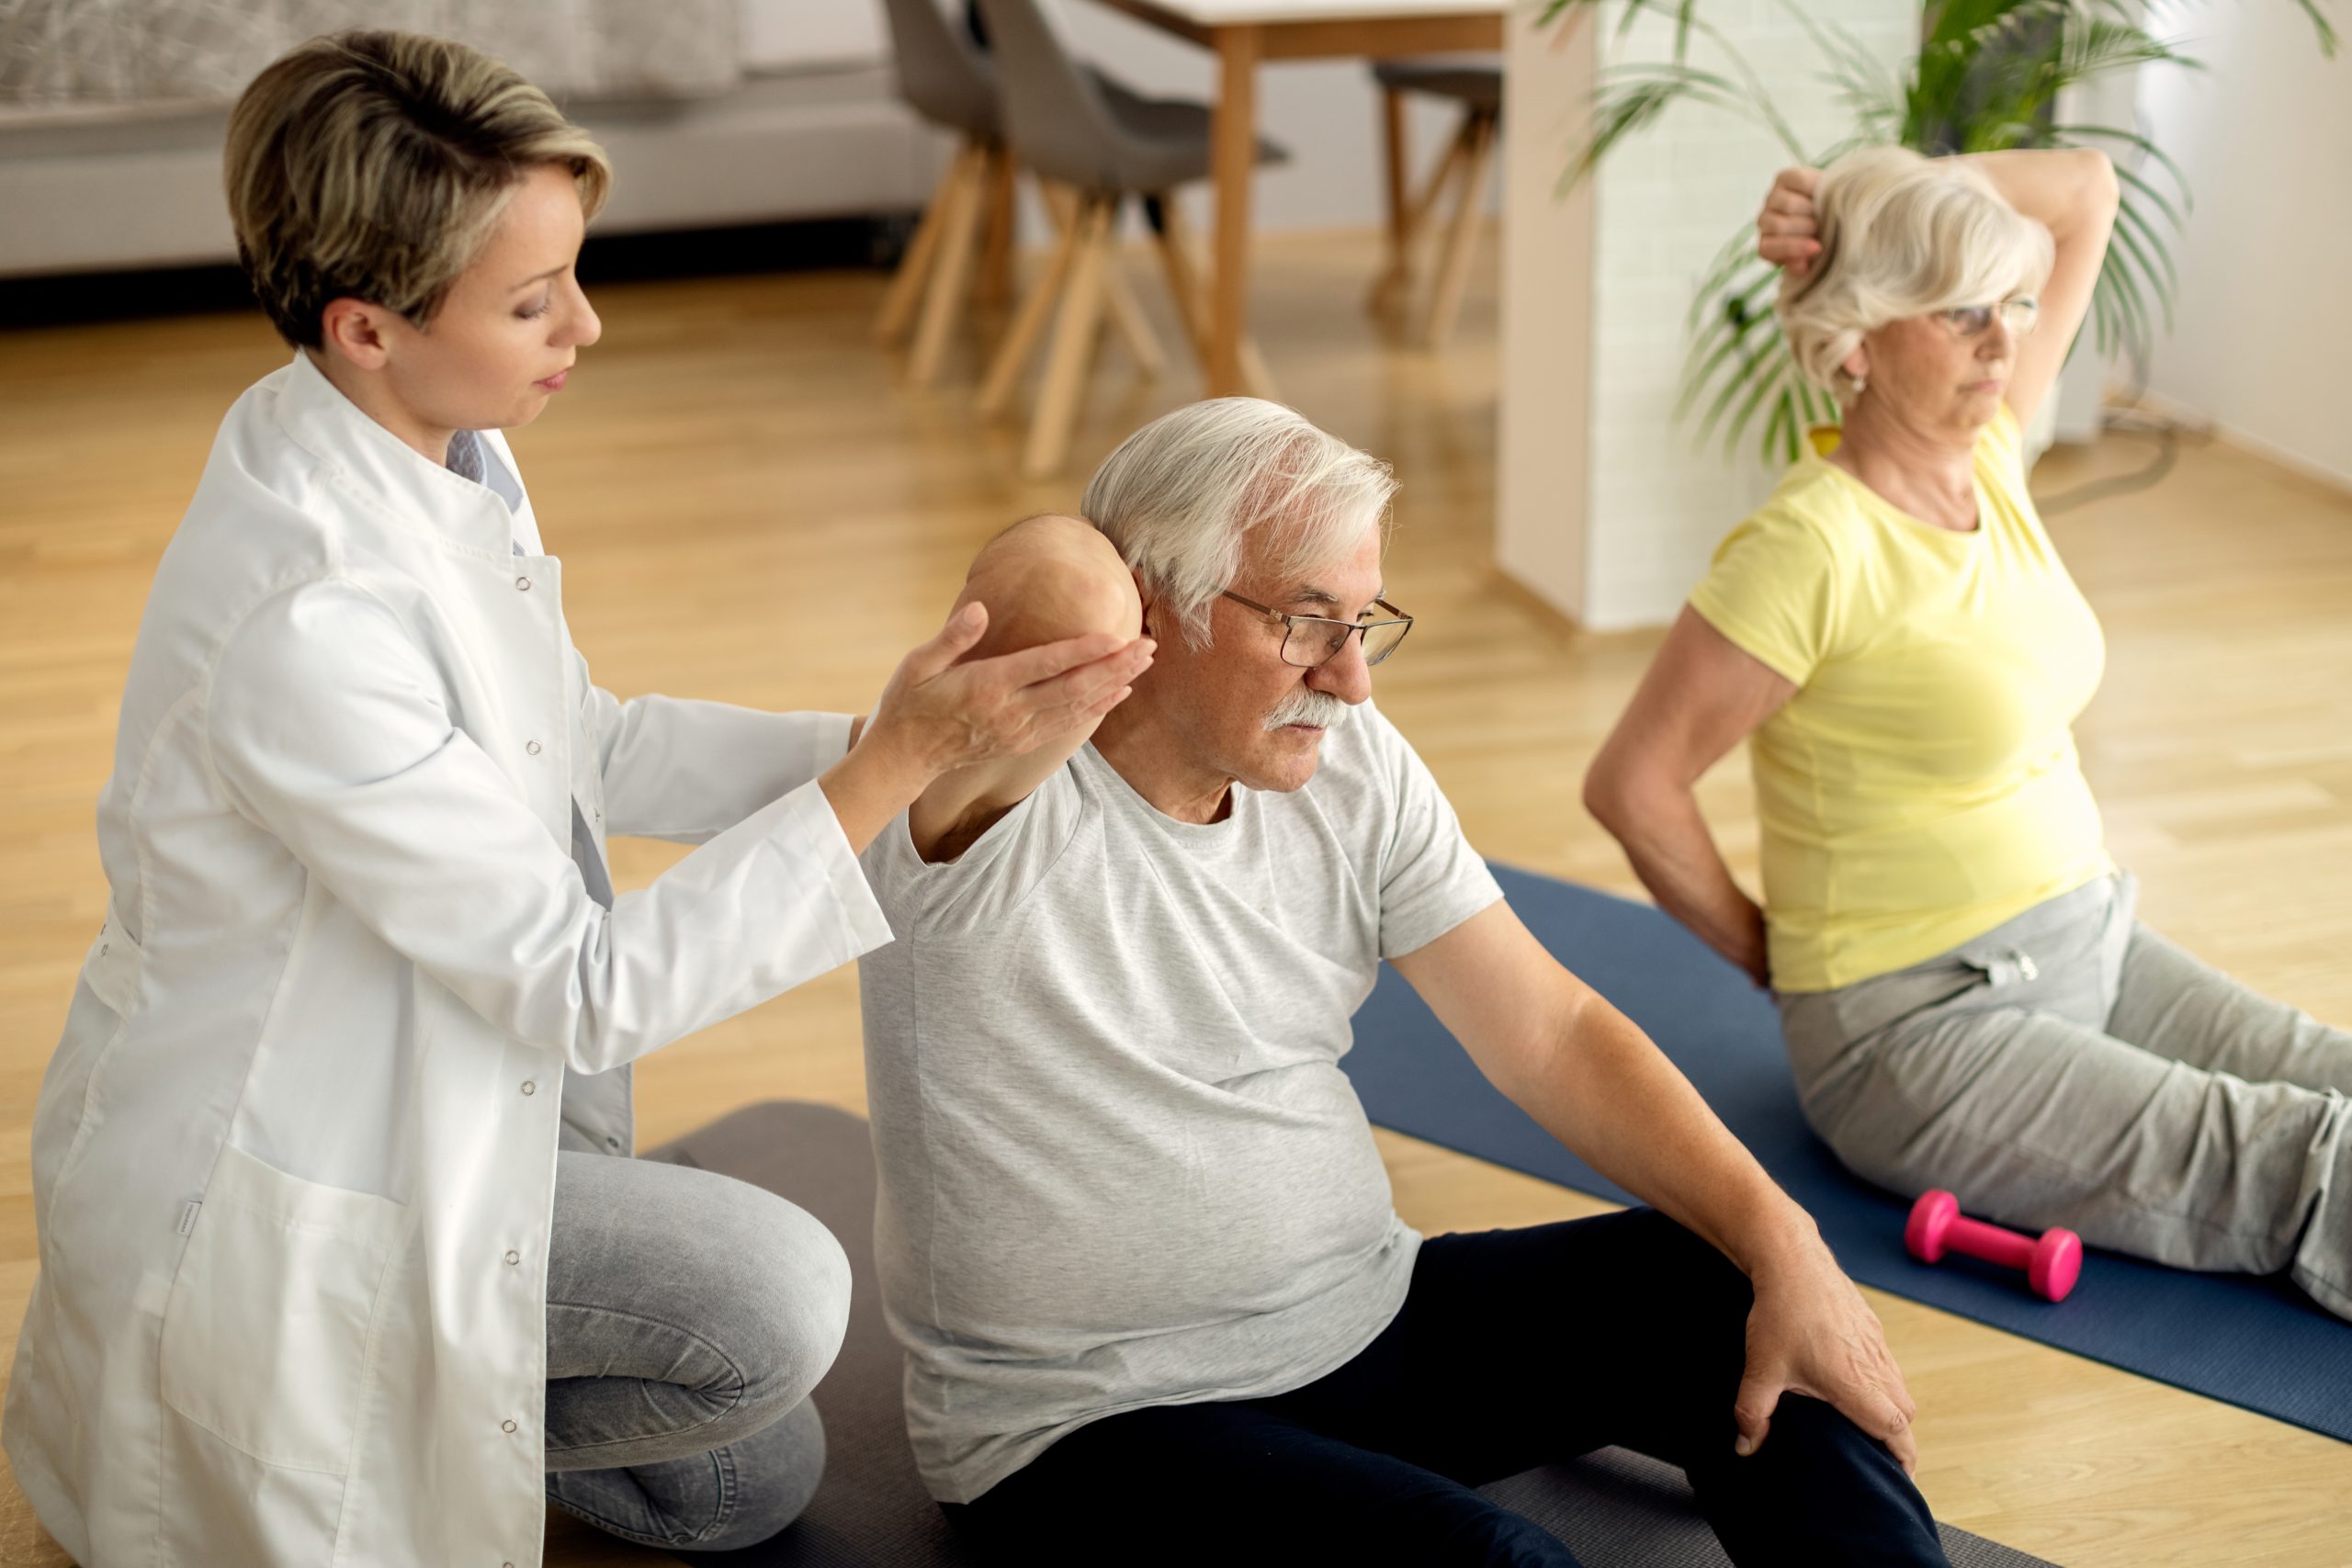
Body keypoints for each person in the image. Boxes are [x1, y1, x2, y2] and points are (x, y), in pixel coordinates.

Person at [0, 30, 1153, 1568]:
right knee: (779, 1300)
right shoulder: (310, 616)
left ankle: (480, 1367)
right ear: (366, 326)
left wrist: (890, 737)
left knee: (743, 1479)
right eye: (534, 300)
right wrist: (889, 772)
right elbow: (580, 985)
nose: (586, 325)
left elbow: (575, 743)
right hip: (309, 1170)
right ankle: (399, 1399)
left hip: (452, 1068)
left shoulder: (434, 444)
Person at [856, 398, 1951, 1566]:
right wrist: (1111, 574)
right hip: (1090, 1428)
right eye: (1306, 623)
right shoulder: (981, 800)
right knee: (1495, 1562)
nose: (1350, 679)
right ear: (1151, 611)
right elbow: (1051, 573)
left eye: (1363, 622)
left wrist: (1789, 1245)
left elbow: (1550, 1033)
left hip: (1365, 1322)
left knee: (1731, 1288)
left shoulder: (1345, 760)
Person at [1583, 145, 2350, 1321]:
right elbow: (1633, 785)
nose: (2000, 343)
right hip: (1922, 1029)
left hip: (2090, 940)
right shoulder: (1810, 550)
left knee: (2335, 1073)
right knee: (2301, 1155)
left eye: (2009, 306)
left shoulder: (1988, 457)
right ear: (1856, 339)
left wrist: (1857, 186)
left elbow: (2085, 190)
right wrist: (1778, 961)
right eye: (1957, 312)